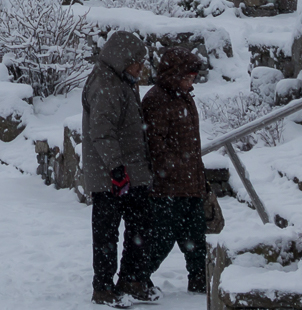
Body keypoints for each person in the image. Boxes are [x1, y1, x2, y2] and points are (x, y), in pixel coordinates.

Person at [81, 31, 153, 305]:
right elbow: (102, 131)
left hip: (128, 171)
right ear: (123, 60)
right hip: (111, 176)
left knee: (139, 227)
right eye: (137, 62)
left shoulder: (121, 80)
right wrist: (116, 168)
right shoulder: (107, 85)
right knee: (107, 234)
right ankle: (104, 287)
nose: (141, 68)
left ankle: (131, 280)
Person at [137, 47, 210, 296]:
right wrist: (175, 171)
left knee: (196, 237)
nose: (191, 83)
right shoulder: (156, 100)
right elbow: (155, 145)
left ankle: (201, 280)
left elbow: (190, 143)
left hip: (190, 182)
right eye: (186, 77)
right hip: (167, 187)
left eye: (192, 78)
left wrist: (196, 175)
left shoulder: (184, 97)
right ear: (172, 75)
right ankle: (138, 278)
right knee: (162, 238)